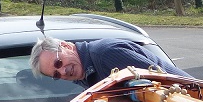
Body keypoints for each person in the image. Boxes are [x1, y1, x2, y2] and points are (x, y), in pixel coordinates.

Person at [29, 36, 189, 85]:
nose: (63, 71)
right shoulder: (85, 75)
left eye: (58, 63)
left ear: (66, 46)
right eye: (56, 75)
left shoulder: (105, 54)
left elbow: (162, 80)